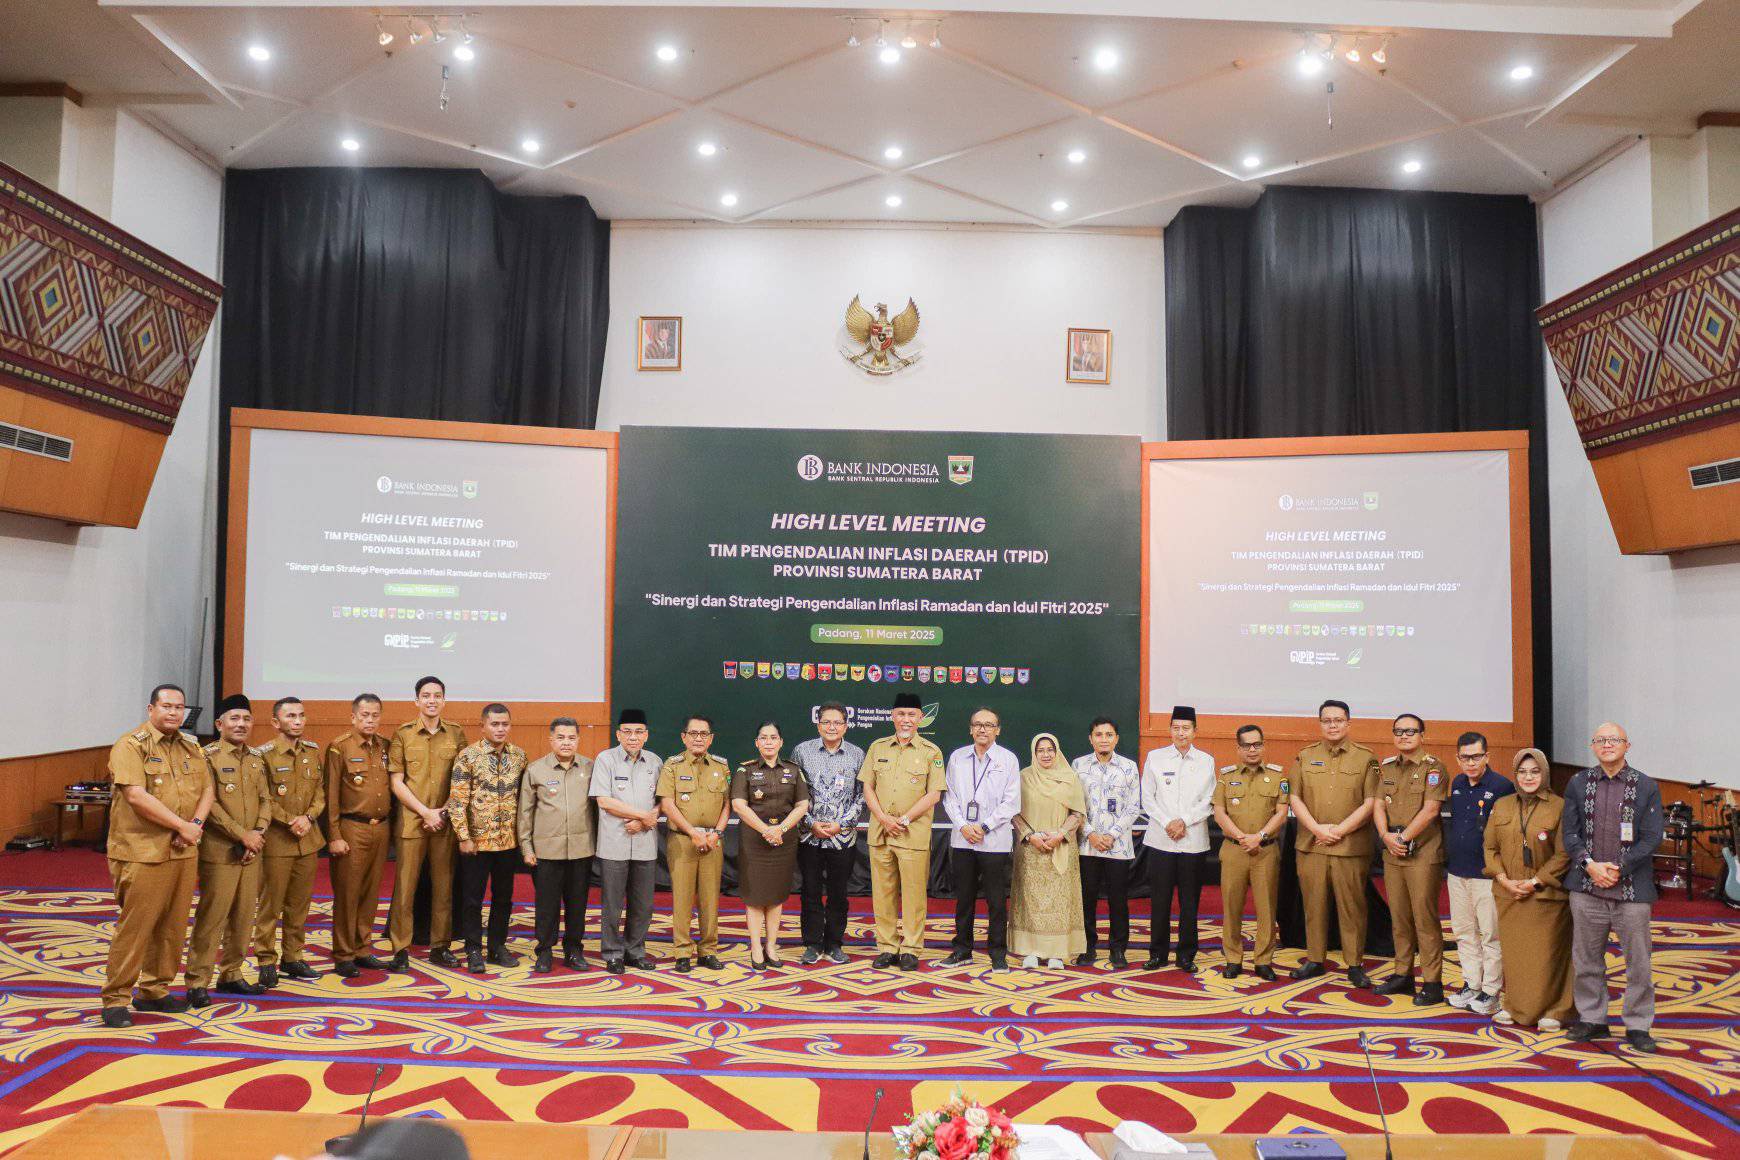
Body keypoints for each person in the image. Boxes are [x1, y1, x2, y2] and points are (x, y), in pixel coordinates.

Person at [98, 684, 212, 1027]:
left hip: (182, 850)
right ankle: (116, 998)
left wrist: (192, 825)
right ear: (151, 709)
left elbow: (207, 790)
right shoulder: (131, 745)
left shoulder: (192, 748)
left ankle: (154, 990)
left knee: (173, 926)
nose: (174, 713)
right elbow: (135, 796)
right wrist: (182, 826)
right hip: (142, 851)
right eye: (166, 706)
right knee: (136, 928)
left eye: (179, 707)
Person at [1564, 723, 1665, 1052]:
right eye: (1601, 740)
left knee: (1639, 962)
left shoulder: (1646, 785)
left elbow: (1651, 838)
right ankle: (1593, 1019)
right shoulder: (1578, 784)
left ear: (1627, 745)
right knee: (1587, 959)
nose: (1607, 745)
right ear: (1592, 746)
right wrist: (1590, 866)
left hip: (1632, 892)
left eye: (1614, 740)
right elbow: (1570, 835)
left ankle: (1638, 1025)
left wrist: (1619, 869)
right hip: (1586, 887)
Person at [185, 694, 271, 1005]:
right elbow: (212, 806)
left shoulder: (256, 758)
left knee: (244, 916)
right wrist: (242, 835)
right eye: (234, 719)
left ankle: (232, 973)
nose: (241, 724)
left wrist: (258, 834)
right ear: (220, 724)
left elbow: (266, 800)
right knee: (213, 917)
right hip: (221, 851)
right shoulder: (206, 757)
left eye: (246, 719)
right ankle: (197, 980)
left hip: (252, 851)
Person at [1289, 699, 1380, 986]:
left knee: (1352, 907)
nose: (1332, 725)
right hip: (1312, 844)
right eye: (1327, 720)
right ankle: (1315, 959)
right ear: (1320, 723)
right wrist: (1317, 829)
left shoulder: (1366, 758)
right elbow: (1294, 797)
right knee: (1313, 905)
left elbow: (1370, 802)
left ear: (1348, 723)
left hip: (1350, 847)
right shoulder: (1305, 756)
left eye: (1338, 720)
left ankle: (1354, 963)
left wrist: (1338, 831)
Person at [1484, 748, 1575, 1031]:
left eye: (1535, 771)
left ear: (1545, 773)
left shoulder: (1561, 806)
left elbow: (1564, 854)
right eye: (1522, 772)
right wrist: (1503, 879)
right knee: (1515, 956)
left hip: (1546, 896)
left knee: (1548, 956)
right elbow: (1489, 848)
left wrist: (1535, 882)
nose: (1528, 777)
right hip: (1509, 893)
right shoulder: (1502, 805)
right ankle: (1514, 1005)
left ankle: (1556, 1010)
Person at [386, 676, 467, 973]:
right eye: (425, 695)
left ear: (444, 700)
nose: (431, 700)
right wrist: (425, 812)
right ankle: (400, 949)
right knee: (405, 888)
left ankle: (440, 946)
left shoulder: (456, 734)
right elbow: (396, 782)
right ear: (416, 701)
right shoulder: (403, 734)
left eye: (437, 695)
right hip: (412, 822)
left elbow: (462, 780)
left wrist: (442, 812)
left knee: (443, 888)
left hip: (444, 824)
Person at [859, 692, 946, 971]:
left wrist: (904, 820)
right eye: (901, 714)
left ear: (921, 718)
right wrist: (884, 819)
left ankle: (910, 948)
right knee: (882, 893)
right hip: (881, 831)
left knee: (913, 894)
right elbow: (867, 787)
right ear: (892, 716)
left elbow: (934, 795)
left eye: (911, 715)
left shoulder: (931, 751)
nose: (906, 720)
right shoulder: (878, 747)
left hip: (912, 834)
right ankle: (887, 946)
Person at [1371, 714, 1451, 1005]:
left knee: (1424, 919)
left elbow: (1431, 811)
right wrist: (1385, 836)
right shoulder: (1387, 768)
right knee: (1400, 917)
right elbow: (1378, 804)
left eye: (1410, 731)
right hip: (1392, 851)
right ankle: (1402, 974)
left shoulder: (1434, 768)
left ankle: (1432, 982)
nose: (1404, 736)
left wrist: (1402, 839)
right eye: (1399, 731)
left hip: (1422, 854)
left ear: (1422, 735)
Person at [447, 703, 527, 975]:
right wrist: (463, 836)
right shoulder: (467, 756)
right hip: (476, 844)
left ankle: (497, 946)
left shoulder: (519, 756)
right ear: (483, 727)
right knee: (472, 899)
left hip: (508, 842)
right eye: (494, 724)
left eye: (505, 724)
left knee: (504, 898)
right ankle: (472, 949)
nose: (500, 729)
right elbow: (457, 801)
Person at [941, 707, 1021, 970]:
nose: (982, 729)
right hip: (963, 839)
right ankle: (962, 949)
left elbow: (1012, 802)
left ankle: (997, 952)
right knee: (964, 899)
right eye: (977, 724)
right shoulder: (957, 758)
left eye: (988, 725)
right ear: (970, 728)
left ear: (998, 729)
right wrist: (964, 826)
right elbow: (949, 798)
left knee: (996, 901)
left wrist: (984, 827)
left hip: (994, 840)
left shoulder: (1008, 759)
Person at [254, 695, 325, 987]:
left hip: (307, 839)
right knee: (271, 905)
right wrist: (289, 820)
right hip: (277, 841)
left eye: (301, 715)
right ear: (275, 722)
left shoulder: (311, 751)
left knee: (299, 904)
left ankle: (293, 957)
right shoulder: (263, 755)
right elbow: (264, 798)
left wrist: (308, 818)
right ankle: (266, 960)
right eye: (290, 716)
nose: (297, 721)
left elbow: (319, 792)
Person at [1141, 706, 1217, 972]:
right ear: (1170, 730)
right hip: (1161, 840)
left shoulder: (1206, 761)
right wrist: (1167, 823)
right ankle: (1158, 953)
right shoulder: (1155, 757)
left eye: (1186, 728)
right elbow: (1147, 798)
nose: (1181, 733)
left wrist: (1183, 821)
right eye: (1176, 728)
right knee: (1159, 900)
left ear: (1195, 731)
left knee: (1189, 902)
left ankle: (1186, 955)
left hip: (1193, 840)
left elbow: (1209, 800)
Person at [1211, 725, 1289, 980]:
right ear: (1239, 748)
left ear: (1263, 746)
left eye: (1257, 744)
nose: (1252, 750)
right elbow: (1219, 812)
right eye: (1247, 745)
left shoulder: (1279, 777)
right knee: (1231, 907)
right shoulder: (1226, 776)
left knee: (1267, 909)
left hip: (1265, 851)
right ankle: (1233, 959)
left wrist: (1260, 837)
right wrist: (1241, 836)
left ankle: (1263, 960)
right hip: (1234, 850)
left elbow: (1281, 812)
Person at [519, 717, 596, 973]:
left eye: (571, 737)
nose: (566, 742)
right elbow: (525, 814)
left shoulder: (590, 767)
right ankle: (544, 950)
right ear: (551, 739)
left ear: (578, 740)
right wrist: (527, 848)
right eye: (561, 737)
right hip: (546, 852)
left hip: (581, 850)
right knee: (547, 906)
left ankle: (574, 950)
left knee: (577, 905)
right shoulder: (535, 770)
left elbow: (597, 810)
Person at [1444, 730, 1514, 1015]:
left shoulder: (1502, 786)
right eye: (1465, 757)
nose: (1470, 763)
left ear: (1487, 756)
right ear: (1457, 759)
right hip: (1457, 870)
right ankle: (1472, 984)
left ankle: (1491, 991)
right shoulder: (1458, 783)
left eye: (1476, 756)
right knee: (1463, 932)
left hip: (1485, 874)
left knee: (1490, 935)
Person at [325, 692, 393, 978]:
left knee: (370, 893)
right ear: (353, 717)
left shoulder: (386, 747)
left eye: (375, 715)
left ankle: (363, 948)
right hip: (352, 828)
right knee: (348, 893)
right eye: (364, 715)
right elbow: (331, 797)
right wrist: (334, 835)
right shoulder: (339, 748)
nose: (370, 720)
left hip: (381, 828)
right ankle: (343, 954)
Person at [732, 721, 810, 968]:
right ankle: (755, 947)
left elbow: (802, 805)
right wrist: (766, 830)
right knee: (755, 897)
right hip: (755, 841)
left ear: (780, 742)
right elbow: (738, 805)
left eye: (773, 737)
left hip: (783, 842)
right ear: (757, 743)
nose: (768, 742)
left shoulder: (794, 770)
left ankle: (771, 946)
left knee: (776, 896)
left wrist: (781, 830)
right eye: (763, 738)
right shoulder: (744, 771)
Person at [792, 702, 865, 965]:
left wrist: (842, 824)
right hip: (809, 835)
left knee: (838, 893)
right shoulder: (802, 751)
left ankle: (834, 943)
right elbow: (795, 793)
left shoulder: (857, 754)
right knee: (810, 890)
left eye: (837, 722)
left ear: (846, 725)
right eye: (826, 722)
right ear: (818, 723)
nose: (832, 727)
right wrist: (811, 822)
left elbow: (862, 797)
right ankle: (812, 944)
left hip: (842, 837)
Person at [659, 714, 731, 973]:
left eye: (704, 734)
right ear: (684, 737)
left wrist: (717, 833)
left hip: (713, 841)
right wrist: (693, 833)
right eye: (693, 734)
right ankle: (682, 951)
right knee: (682, 898)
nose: (698, 738)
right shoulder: (672, 765)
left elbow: (727, 805)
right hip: (682, 840)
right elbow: (667, 804)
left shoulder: (722, 767)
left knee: (711, 899)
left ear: (711, 738)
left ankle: (708, 951)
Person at [592, 708, 662, 974]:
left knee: (643, 903)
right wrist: (642, 816)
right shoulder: (605, 759)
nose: (633, 737)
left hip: (645, 843)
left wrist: (646, 819)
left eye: (639, 732)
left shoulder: (655, 762)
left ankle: (635, 951)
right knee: (613, 903)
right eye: (628, 732)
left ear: (646, 735)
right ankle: (612, 952)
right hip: (614, 843)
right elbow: (604, 800)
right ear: (618, 733)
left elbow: (662, 801)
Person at [1011, 733, 1086, 968]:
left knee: (1060, 902)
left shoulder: (1069, 778)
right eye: (1040, 750)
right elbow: (1013, 812)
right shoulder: (1023, 777)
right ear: (1034, 753)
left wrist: (1060, 834)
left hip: (1061, 845)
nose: (1046, 754)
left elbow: (1078, 813)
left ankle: (1057, 952)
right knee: (1031, 901)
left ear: (1057, 752)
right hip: (1030, 848)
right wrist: (1031, 836)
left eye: (1050, 749)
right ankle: (1031, 951)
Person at [1073, 717, 1141, 968]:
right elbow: (1074, 804)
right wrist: (1090, 833)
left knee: (1118, 898)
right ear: (1090, 738)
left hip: (1118, 845)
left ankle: (1118, 949)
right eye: (1098, 734)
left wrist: (1112, 834)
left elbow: (1134, 807)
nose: (1104, 739)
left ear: (1116, 738)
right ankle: (1087, 947)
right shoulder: (1078, 765)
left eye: (1109, 734)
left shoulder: (1128, 767)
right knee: (1087, 898)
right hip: (1087, 843)